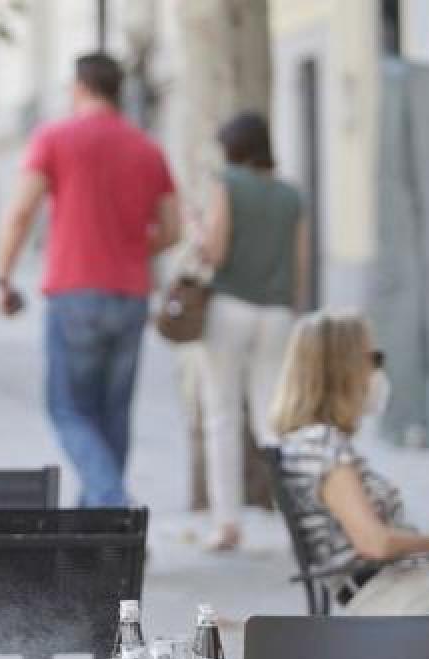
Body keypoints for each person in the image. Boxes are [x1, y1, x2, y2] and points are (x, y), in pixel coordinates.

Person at [0, 52, 180, 506]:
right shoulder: (147, 147)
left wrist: (2, 276)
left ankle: (112, 504)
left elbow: (21, 212)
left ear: (79, 88)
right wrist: (132, 248)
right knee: (113, 412)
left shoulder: (55, 137)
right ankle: (101, 527)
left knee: (69, 409)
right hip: (131, 294)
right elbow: (173, 229)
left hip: (74, 290)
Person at [274, 311, 429, 614]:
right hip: (397, 597)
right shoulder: (320, 445)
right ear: (341, 368)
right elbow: (375, 544)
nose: (378, 371)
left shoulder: (311, 444)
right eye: (373, 358)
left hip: (407, 587)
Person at [195, 112, 309, 551]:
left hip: (230, 308)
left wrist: (199, 231)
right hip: (278, 313)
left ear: (234, 149)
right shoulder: (291, 195)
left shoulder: (228, 183)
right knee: (273, 420)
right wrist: (289, 307)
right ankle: (294, 520)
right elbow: (300, 264)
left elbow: (216, 252)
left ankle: (227, 524)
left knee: (222, 414)